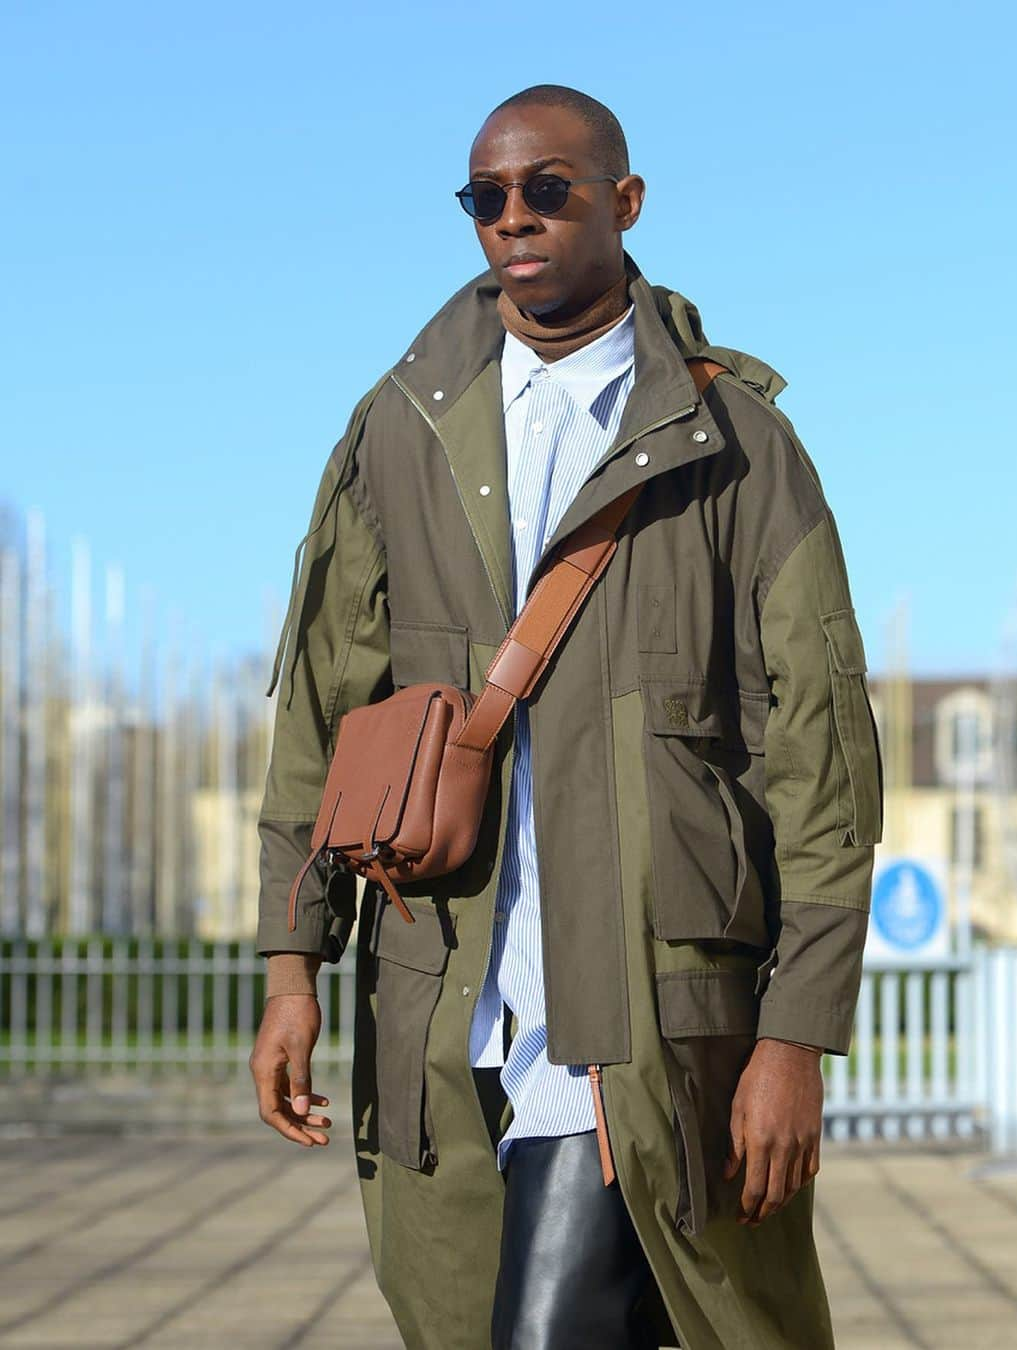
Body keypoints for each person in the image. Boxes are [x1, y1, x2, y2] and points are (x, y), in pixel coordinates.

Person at [249, 83, 884, 1350]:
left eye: (548, 189)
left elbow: (819, 762)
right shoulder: (397, 433)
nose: (513, 219)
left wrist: (796, 1036)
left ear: (625, 201)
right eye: (487, 198)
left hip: (643, 1015)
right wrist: (292, 967)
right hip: (437, 1002)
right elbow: (323, 717)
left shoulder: (737, 446)